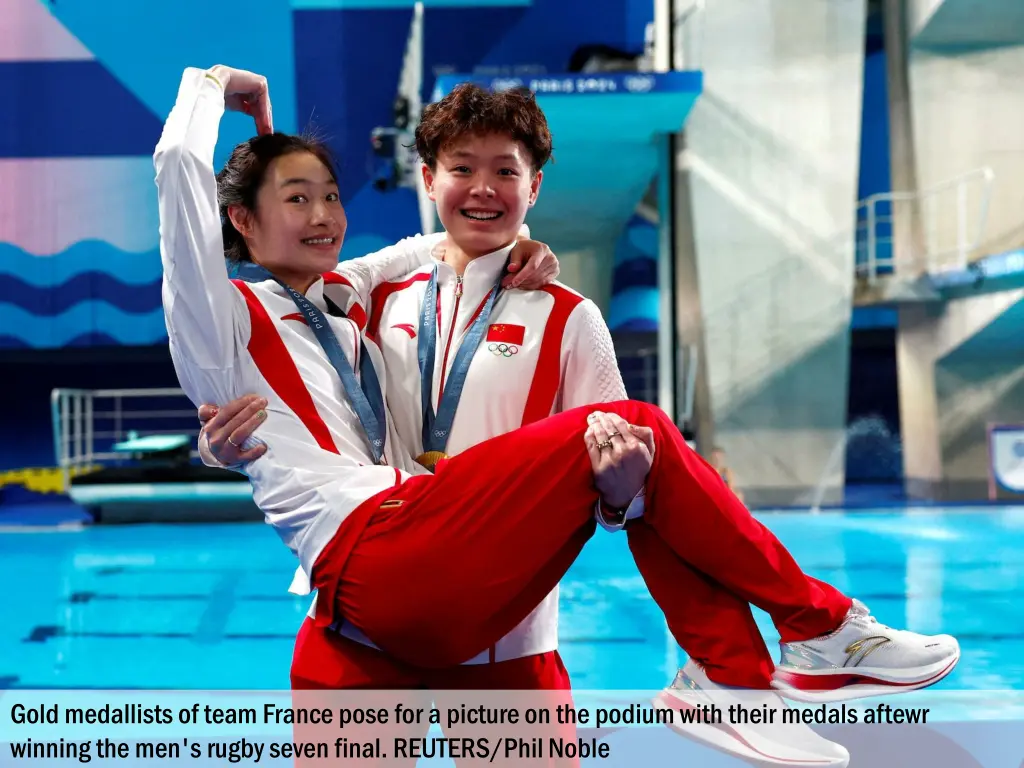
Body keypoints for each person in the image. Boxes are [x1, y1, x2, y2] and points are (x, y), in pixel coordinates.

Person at [157, 64, 958, 768]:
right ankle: (777, 651)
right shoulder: (361, 297)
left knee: (636, 435)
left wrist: (618, 487)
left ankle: (756, 668)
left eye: (505, 173)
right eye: (460, 169)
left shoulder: (559, 317)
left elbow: (635, 500)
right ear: (427, 178)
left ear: (534, 185)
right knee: (637, 418)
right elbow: (211, 224)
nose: (482, 187)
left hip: (503, 619)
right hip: (367, 599)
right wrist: (223, 446)